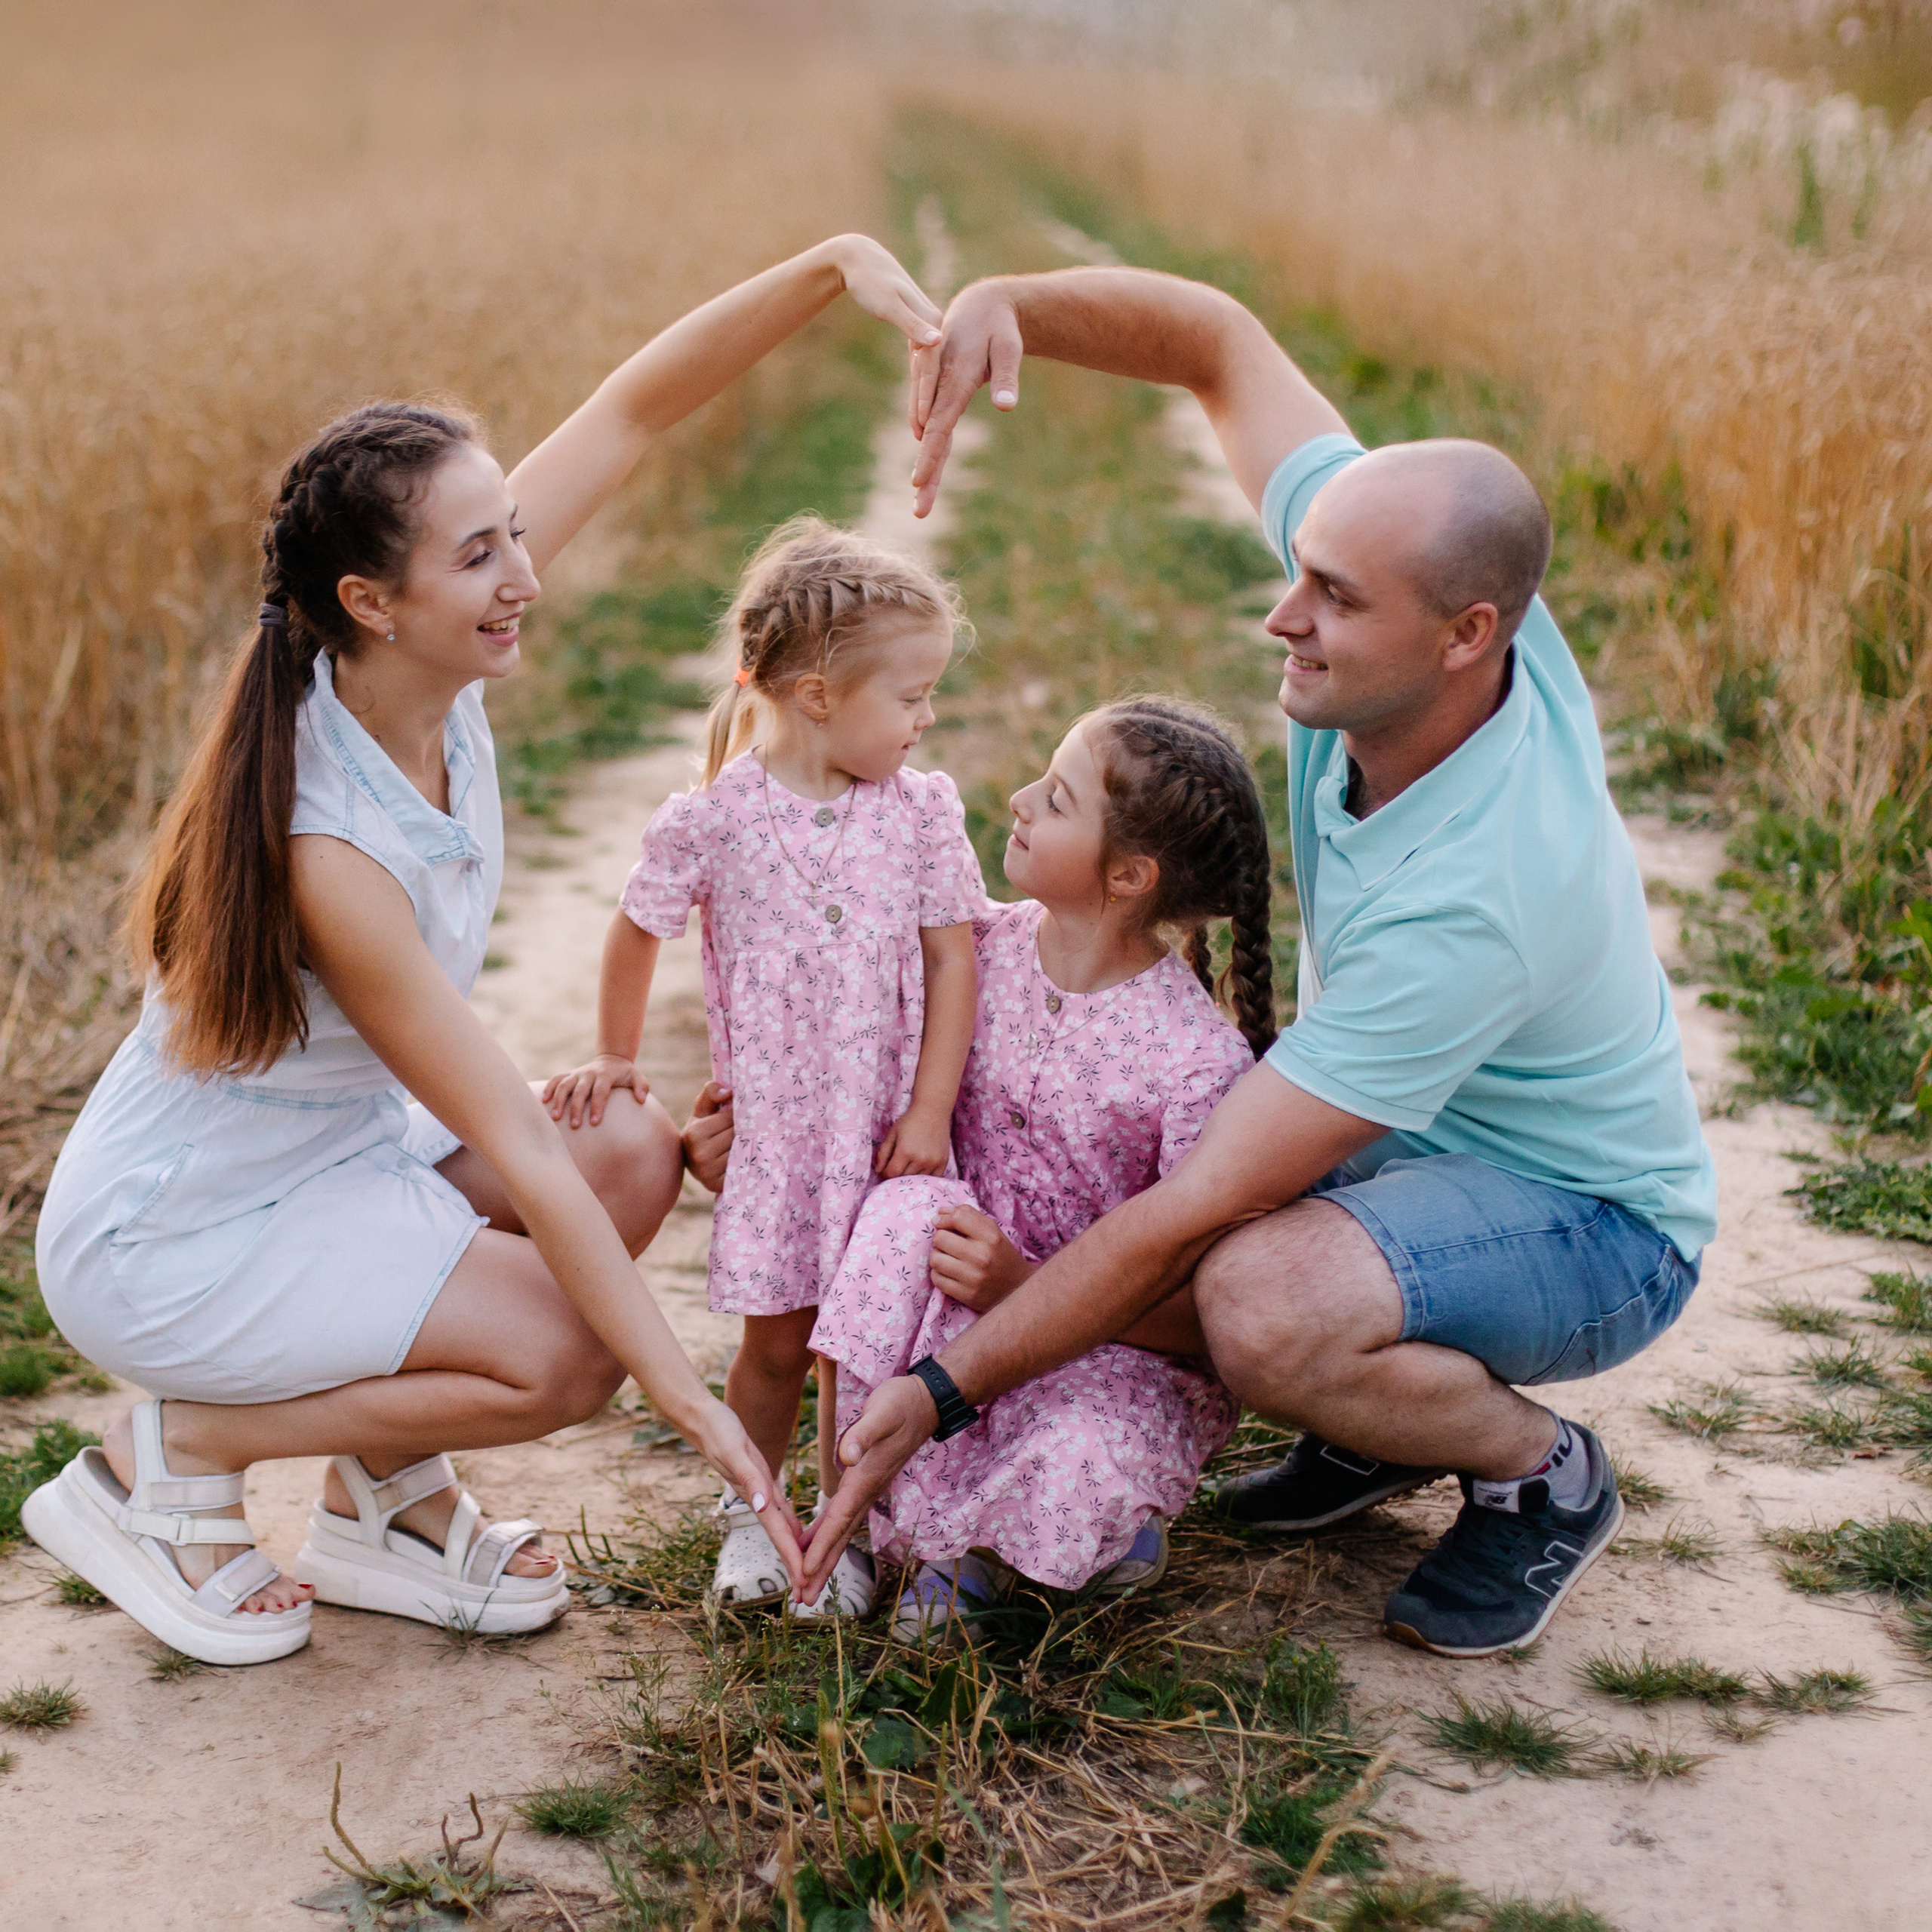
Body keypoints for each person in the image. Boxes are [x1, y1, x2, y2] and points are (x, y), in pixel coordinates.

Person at [24, 235, 945, 1667]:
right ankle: (177, 1450)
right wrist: (692, 1405)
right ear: (371, 603)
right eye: (480, 555)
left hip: (335, 1162)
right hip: (182, 1239)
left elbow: (635, 410)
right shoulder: (329, 844)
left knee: (628, 1145)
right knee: (568, 1356)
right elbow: (517, 1143)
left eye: (513, 531)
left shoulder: (427, 663)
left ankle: (375, 1497)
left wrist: (827, 272)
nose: (524, 574)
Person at [801, 265, 1718, 1659]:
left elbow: (1194, 1214)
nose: (1284, 618)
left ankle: (1536, 1471)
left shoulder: (1484, 893)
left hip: (1591, 1222)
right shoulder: (1417, 588)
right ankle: (1376, 1416)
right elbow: (1218, 346)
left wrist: (943, 1387)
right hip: (1412, 1137)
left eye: (1332, 598)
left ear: (1468, 636)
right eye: (1303, 568)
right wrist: (1009, 301)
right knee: (1193, 1207)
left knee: (1253, 1301)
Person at [542, 516, 983, 1620]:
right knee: (778, 1344)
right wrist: (616, 1055)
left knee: (865, 1342)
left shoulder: (919, 811)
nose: (927, 718)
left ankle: (845, 1530)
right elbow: (638, 925)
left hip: (887, 1129)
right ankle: (755, 1512)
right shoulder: (715, 818)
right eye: (912, 696)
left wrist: (931, 1109)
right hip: (782, 1139)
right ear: (819, 696)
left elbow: (953, 957)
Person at [808, 697, 1272, 1638]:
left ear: (1129, 875)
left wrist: (1023, 1283)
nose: (1019, 799)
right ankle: (843, 1508)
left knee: (1077, 1456)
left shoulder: (1195, 1063)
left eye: (1056, 798)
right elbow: (858, 1057)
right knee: (903, 1214)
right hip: (947, 1309)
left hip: (1110, 1358)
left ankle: (980, 1555)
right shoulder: (976, 952)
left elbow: (1203, 1321)